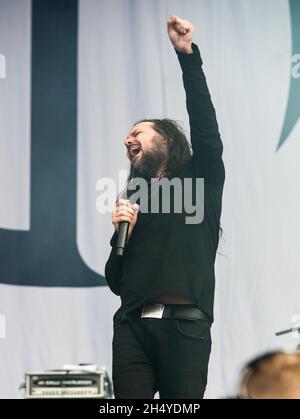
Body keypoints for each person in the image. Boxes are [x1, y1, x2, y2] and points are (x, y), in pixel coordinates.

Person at [105, 15, 225, 399]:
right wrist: (117, 236)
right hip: (132, 328)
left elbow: (204, 123)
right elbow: (115, 281)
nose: (128, 138)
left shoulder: (202, 175)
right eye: (126, 136)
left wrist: (187, 56)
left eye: (137, 131)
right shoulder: (135, 196)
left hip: (184, 327)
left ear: (165, 139)